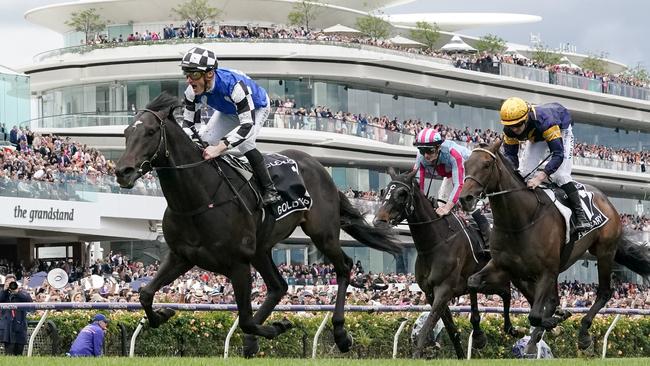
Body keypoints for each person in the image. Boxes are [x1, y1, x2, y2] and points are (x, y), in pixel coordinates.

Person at [180, 46, 281, 206]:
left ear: (209, 74)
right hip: (228, 111)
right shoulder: (191, 91)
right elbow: (189, 124)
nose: (189, 80)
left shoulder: (234, 86)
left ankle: (271, 190)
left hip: (257, 107)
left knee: (246, 144)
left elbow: (246, 125)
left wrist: (220, 147)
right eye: (187, 74)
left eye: (194, 74)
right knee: (205, 140)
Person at [500, 97, 591, 232]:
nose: (515, 129)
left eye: (518, 124)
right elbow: (511, 157)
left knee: (560, 175)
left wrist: (540, 177)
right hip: (536, 136)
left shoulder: (546, 121)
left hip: (560, 129)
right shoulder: (509, 130)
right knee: (523, 173)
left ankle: (581, 216)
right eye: (511, 126)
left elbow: (558, 154)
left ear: (526, 118)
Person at [413, 128, 491, 243]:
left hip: (470, 171)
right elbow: (419, 185)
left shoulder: (453, 153)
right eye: (421, 150)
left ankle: (488, 238)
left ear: (438, 147)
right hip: (449, 174)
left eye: (429, 150)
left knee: (466, 204)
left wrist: (447, 207)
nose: (425, 155)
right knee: (440, 205)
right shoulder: (421, 157)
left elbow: (459, 184)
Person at [0, 274, 32, 355]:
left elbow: (29, 300)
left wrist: (17, 292)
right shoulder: (3, 293)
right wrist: (5, 290)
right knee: (9, 354)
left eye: (12, 282)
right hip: (7, 328)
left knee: (19, 354)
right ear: (5, 283)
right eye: (8, 282)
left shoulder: (20, 292)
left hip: (20, 327)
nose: (11, 284)